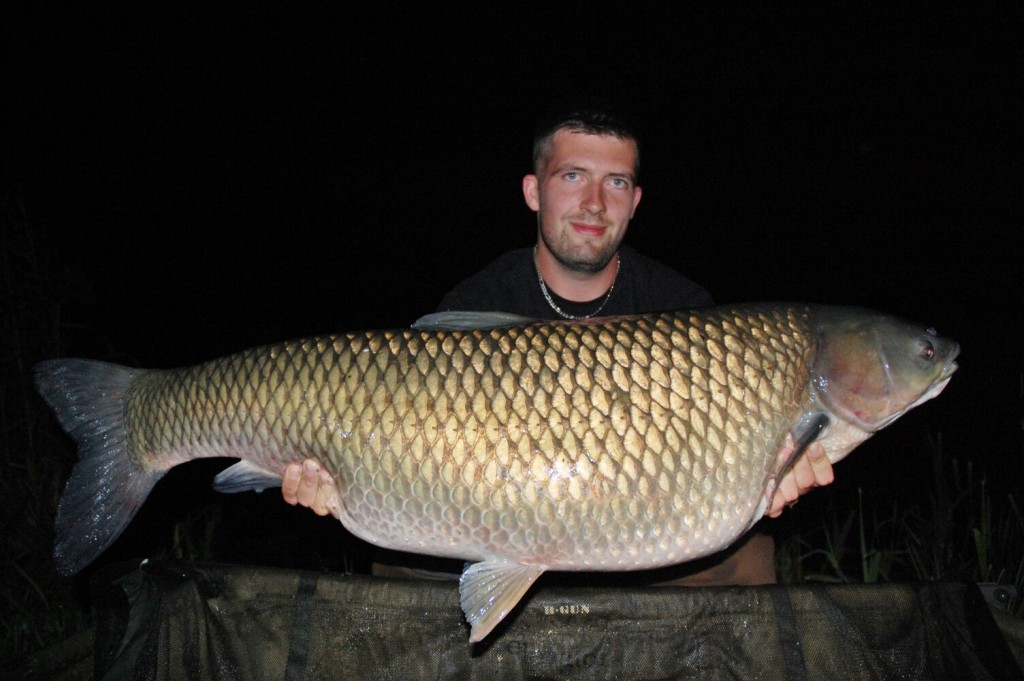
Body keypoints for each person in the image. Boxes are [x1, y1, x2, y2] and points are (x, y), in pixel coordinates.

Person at [280, 104, 834, 584]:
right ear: (533, 190)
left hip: (643, 537)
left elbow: (717, 453)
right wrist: (338, 476)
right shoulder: (475, 298)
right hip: (483, 516)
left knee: (751, 559)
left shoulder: (682, 306)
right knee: (396, 565)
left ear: (635, 200)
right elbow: (403, 439)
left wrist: (767, 479)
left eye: (615, 182)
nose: (595, 202)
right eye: (573, 176)